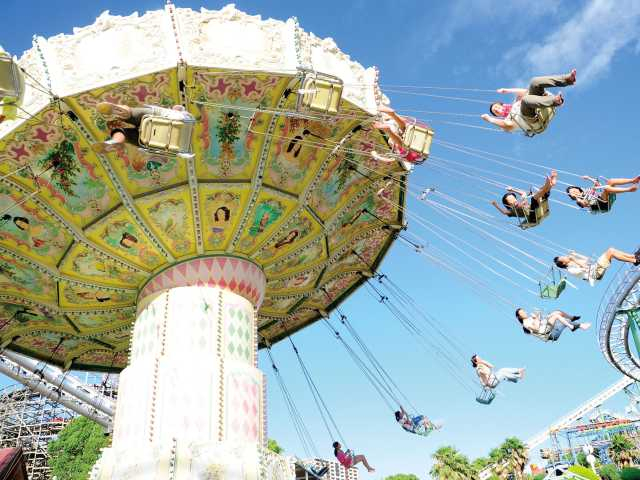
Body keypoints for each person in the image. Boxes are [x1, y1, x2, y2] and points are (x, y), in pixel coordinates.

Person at [481, 69, 576, 134]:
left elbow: (524, 92)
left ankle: (567, 79)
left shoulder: (515, 104)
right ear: (497, 116)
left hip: (538, 106)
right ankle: (555, 101)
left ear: (502, 105)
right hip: (533, 120)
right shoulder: (507, 120)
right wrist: (489, 119)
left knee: (534, 82)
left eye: (497, 107)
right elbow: (507, 126)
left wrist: (507, 90)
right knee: (526, 100)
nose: (497, 110)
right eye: (495, 112)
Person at [93, 102, 194, 156]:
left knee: (132, 114)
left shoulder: (180, 115)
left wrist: (175, 110)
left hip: (160, 121)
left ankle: (122, 112)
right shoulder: (185, 151)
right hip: (155, 141)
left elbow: (177, 110)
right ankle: (116, 141)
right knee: (125, 134)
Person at [491, 170, 557, 225]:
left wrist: (512, 190)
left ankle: (550, 185)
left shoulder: (520, 200)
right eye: (510, 199)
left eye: (513, 198)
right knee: (534, 198)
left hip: (536, 209)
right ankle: (548, 185)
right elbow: (504, 212)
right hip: (532, 217)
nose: (513, 199)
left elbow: (523, 193)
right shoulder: (513, 210)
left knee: (538, 194)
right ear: (508, 203)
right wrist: (496, 205)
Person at [554, 247, 640, 285]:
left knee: (611, 250)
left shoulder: (573, 262)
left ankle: (634, 257)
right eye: (563, 258)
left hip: (595, 268)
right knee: (611, 252)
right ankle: (635, 260)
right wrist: (574, 259)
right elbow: (584, 267)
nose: (565, 256)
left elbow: (587, 259)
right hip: (594, 274)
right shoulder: (570, 270)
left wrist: (576, 254)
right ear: (563, 263)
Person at [566, 175, 639, 213]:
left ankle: (633, 180)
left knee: (611, 181)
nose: (574, 191)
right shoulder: (579, 200)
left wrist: (588, 178)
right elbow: (584, 204)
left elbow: (597, 184)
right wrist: (576, 198)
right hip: (601, 206)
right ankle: (629, 189)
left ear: (577, 188)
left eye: (574, 189)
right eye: (572, 192)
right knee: (606, 188)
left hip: (605, 198)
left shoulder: (586, 190)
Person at [515, 309, 590, 342]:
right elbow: (537, 328)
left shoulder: (529, 318)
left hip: (548, 327)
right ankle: (572, 327)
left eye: (523, 311)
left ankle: (573, 319)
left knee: (557, 312)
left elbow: (539, 322)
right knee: (556, 316)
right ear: (519, 317)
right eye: (522, 313)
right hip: (548, 333)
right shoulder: (525, 324)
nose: (524, 312)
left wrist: (538, 316)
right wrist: (536, 318)